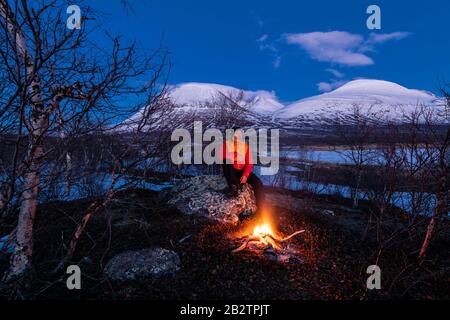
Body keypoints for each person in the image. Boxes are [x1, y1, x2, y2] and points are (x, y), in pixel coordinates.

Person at [219, 127, 264, 207]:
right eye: (237, 133)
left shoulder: (245, 146)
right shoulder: (226, 145)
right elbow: (222, 157)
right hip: (231, 170)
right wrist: (237, 155)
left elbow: (249, 163)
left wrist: (245, 175)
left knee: (258, 183)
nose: (239, 135)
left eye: (240, 133)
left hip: (242, 171)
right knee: (227, 161)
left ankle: (261, 208)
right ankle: (234, 186)